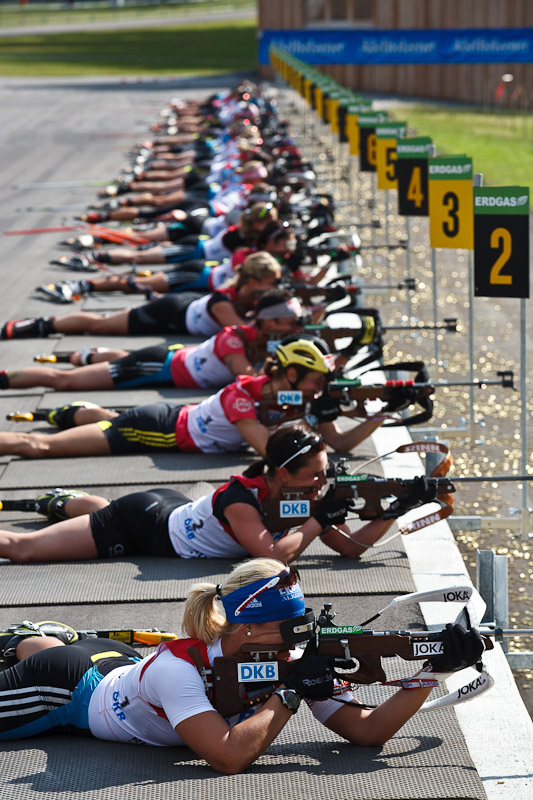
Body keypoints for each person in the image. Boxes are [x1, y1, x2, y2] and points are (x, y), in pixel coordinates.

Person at [0, 557, 485, 773]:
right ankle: (36, 643)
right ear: (249, 628)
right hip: (68, 691)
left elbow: (368, 731)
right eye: (290, 628)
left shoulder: (288, 657)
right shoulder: (178, 669)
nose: (299, 640)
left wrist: (432, 670)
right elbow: (228, 757)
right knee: (46, 660)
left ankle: (35, 639)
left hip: (117, 663)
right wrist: (291, 693)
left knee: (46, 646)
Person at [0, 425, 404, 564]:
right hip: (140, 524)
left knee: (99, 513)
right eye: (316, 475)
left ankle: (71, 501)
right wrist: (319, 519)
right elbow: (273, 557)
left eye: (325, 473)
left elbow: (349, 548)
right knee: (24, 550)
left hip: (172, 507)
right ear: (283, 474)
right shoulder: (241, 500)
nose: (322, 482)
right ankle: (80, 507)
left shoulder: (301, 493)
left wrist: (395, 510)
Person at [0, 339, 385, 459]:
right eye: (317, 381)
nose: (320, 389)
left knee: (107, 421)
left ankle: (79, 414)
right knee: (41, 447)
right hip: (158, 430)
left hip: (173, 416)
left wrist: (379, 416)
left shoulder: (287, 397)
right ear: (292, 375)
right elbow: (270, 451)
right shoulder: (241, 397)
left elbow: (339, 444)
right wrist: (313, 415)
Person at [0, 291, 304, 393]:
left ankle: (97, 356)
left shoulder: (264, 339)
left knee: (115, 361)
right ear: (268, 322)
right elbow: (250, 381)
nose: (295, 329)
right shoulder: (233, 340)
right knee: (64, 382)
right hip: (155, 366)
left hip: (170, 359)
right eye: (290, 323)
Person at [1, 252, 281, 341]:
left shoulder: (253, 296)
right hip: (171, 312)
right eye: (274, 282)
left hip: (187, 307)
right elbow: (244, 334)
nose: (277, 287)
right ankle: (43, 324)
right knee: (101, 325)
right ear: (254, 281)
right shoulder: (224, 302)